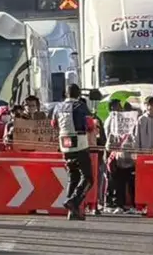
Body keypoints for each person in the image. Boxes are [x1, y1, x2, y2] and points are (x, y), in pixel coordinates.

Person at [52, 84, 95, 220]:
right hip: (80, 143)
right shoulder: (80, 106)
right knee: (88, 177)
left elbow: (53, 124)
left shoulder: (58, 107)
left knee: (73, 175)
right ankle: (74, 201)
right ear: (78, 94)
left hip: (64, 143)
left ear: (66, 93)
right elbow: (89, 124)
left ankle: (73, 212)